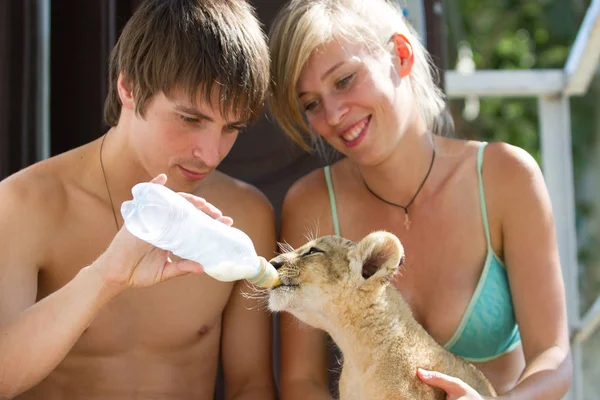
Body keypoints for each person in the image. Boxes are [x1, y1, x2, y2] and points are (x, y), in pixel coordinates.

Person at [268, 0, 572, 398]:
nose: (334, 113)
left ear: (401, 55)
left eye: (344, 80)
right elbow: (300, 383)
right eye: (311, 103)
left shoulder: (507, 177)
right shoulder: (310, 204)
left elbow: (554, 357)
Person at [0, 0, 277, 398]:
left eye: (230, 128)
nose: (211, 153)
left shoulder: (246, 214)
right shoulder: (25, 204)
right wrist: (104, 278)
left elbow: (250, 386)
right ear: (128, 87)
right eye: (191, 119)